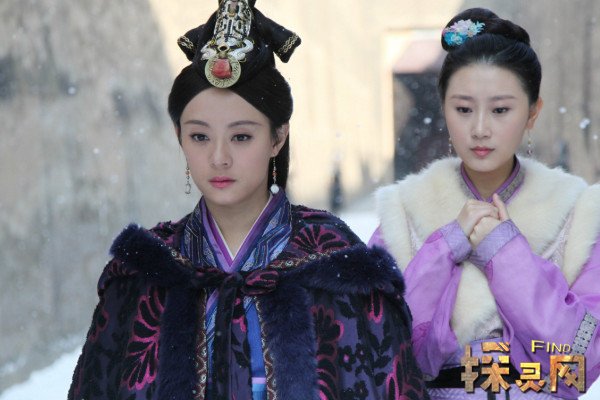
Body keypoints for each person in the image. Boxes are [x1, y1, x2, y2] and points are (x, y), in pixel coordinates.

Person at [68, 1, 429, 399]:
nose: (219, 157)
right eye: (199, 136)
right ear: (179, 137)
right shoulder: (144, 272)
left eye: (241, 136)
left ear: (277, 137)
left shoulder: (336, 263)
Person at [369, 7, 600, 400]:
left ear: (533, 113)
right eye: (463, 109)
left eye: (500, 110)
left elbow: (578, 365)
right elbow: (379, 354)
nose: (479, 129)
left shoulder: (577, 212)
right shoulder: (403, 212)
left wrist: (504, 251)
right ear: (443, 108)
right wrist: (445, 247)